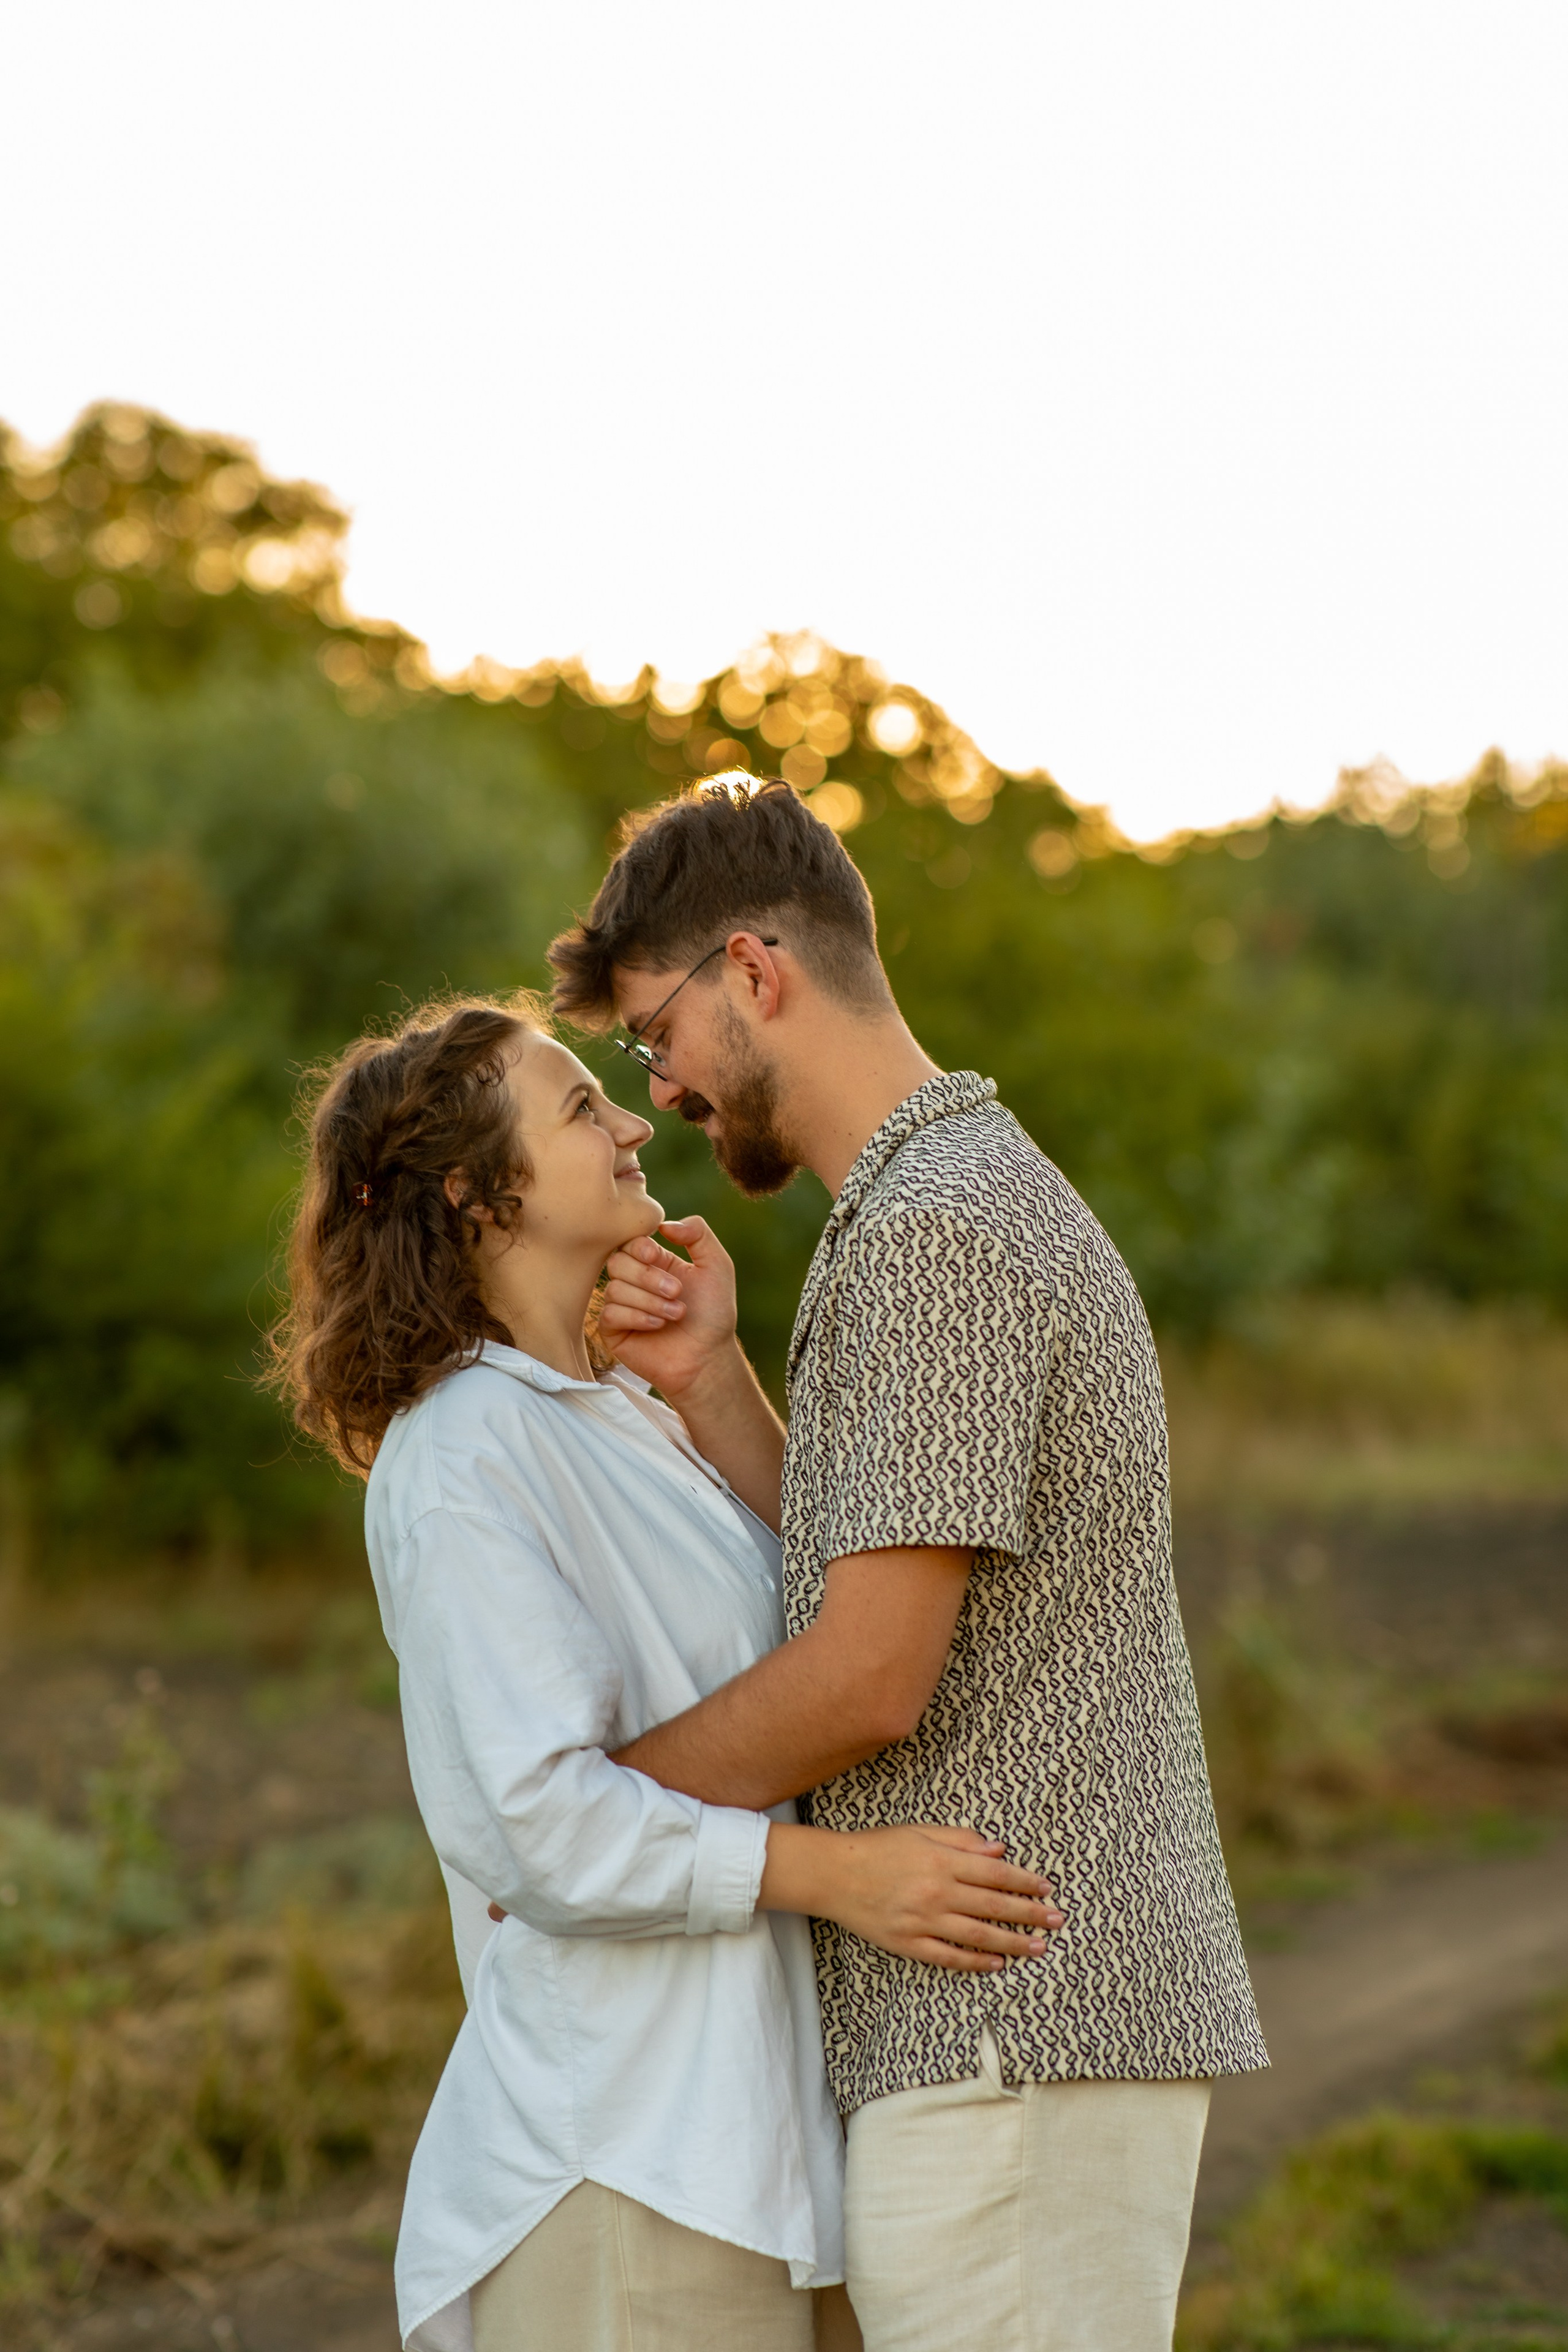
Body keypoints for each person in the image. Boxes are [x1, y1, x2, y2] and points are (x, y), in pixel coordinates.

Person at [548, 775, 1269, 2352]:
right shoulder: (939, 1200)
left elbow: (870, 1674)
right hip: (998, 2032)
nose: (655, 1085)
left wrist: (589, 1817)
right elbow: (883, 1563)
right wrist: (716, 1390)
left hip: (1015, 2023)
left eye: (650, 1034)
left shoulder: (934, 1227)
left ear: (751, 972)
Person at [266, 989, 1062, 2352]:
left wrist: (703, 1377)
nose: (634, 1119)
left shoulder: (617, 1416)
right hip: (624, 2161)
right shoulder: (463, 1457)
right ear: (474, 1193)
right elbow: (538, 1826)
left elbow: (810, 1629)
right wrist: (839, 1877)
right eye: (582, 1106)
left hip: (759, 2149)